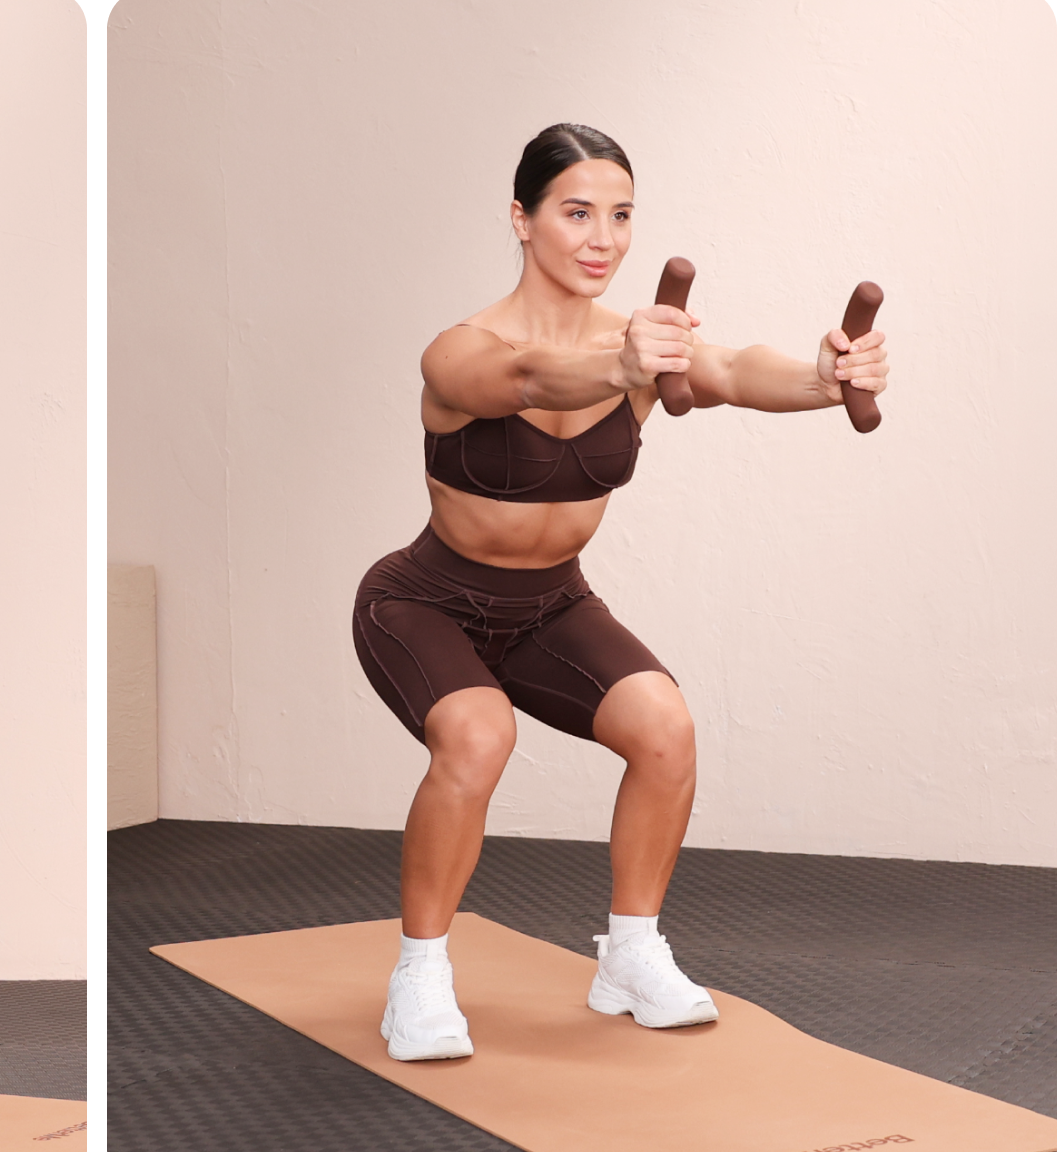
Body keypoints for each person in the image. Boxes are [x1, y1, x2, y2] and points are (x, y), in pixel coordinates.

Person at [355, 123, 890, 1061]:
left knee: (666, 728)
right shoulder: (463, 348)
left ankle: (629, 957)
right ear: (522, 221)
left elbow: (729, 369)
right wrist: (625, 363)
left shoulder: (641, 343)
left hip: (551, 607)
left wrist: (823, 373)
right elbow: (520, 377)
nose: (601, 237)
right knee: (481, 736)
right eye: (576, 213)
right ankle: (421, 975)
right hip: (426, 601)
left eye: (621, 215)